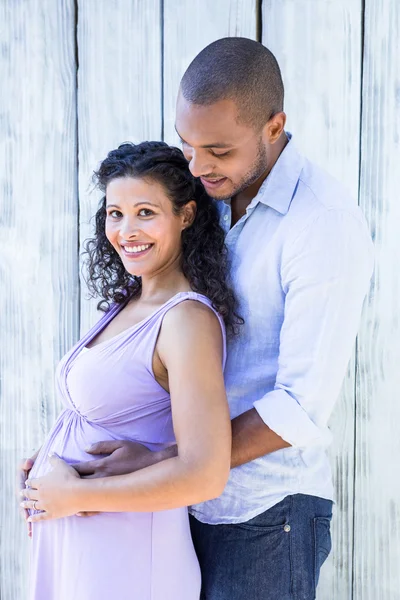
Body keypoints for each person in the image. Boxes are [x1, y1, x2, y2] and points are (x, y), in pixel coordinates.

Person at [21, 38, 374, 599]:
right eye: (188, 146)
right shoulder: (204, 197)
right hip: (178, 509)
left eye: (218, 150)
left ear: (274, 126)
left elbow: (301, 404)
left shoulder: (321, 224)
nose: (199, 165)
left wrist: (168, 458)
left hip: (265, 513)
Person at [19, 141, 235, 600]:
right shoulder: (131, 303)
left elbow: (204, 473)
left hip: (129, 557)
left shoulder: (186, 321)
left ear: (187, 215)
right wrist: (50, 458)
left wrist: (74, 496)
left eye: (145, 212)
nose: (127, 230)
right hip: (86, 549)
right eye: (115, 213)